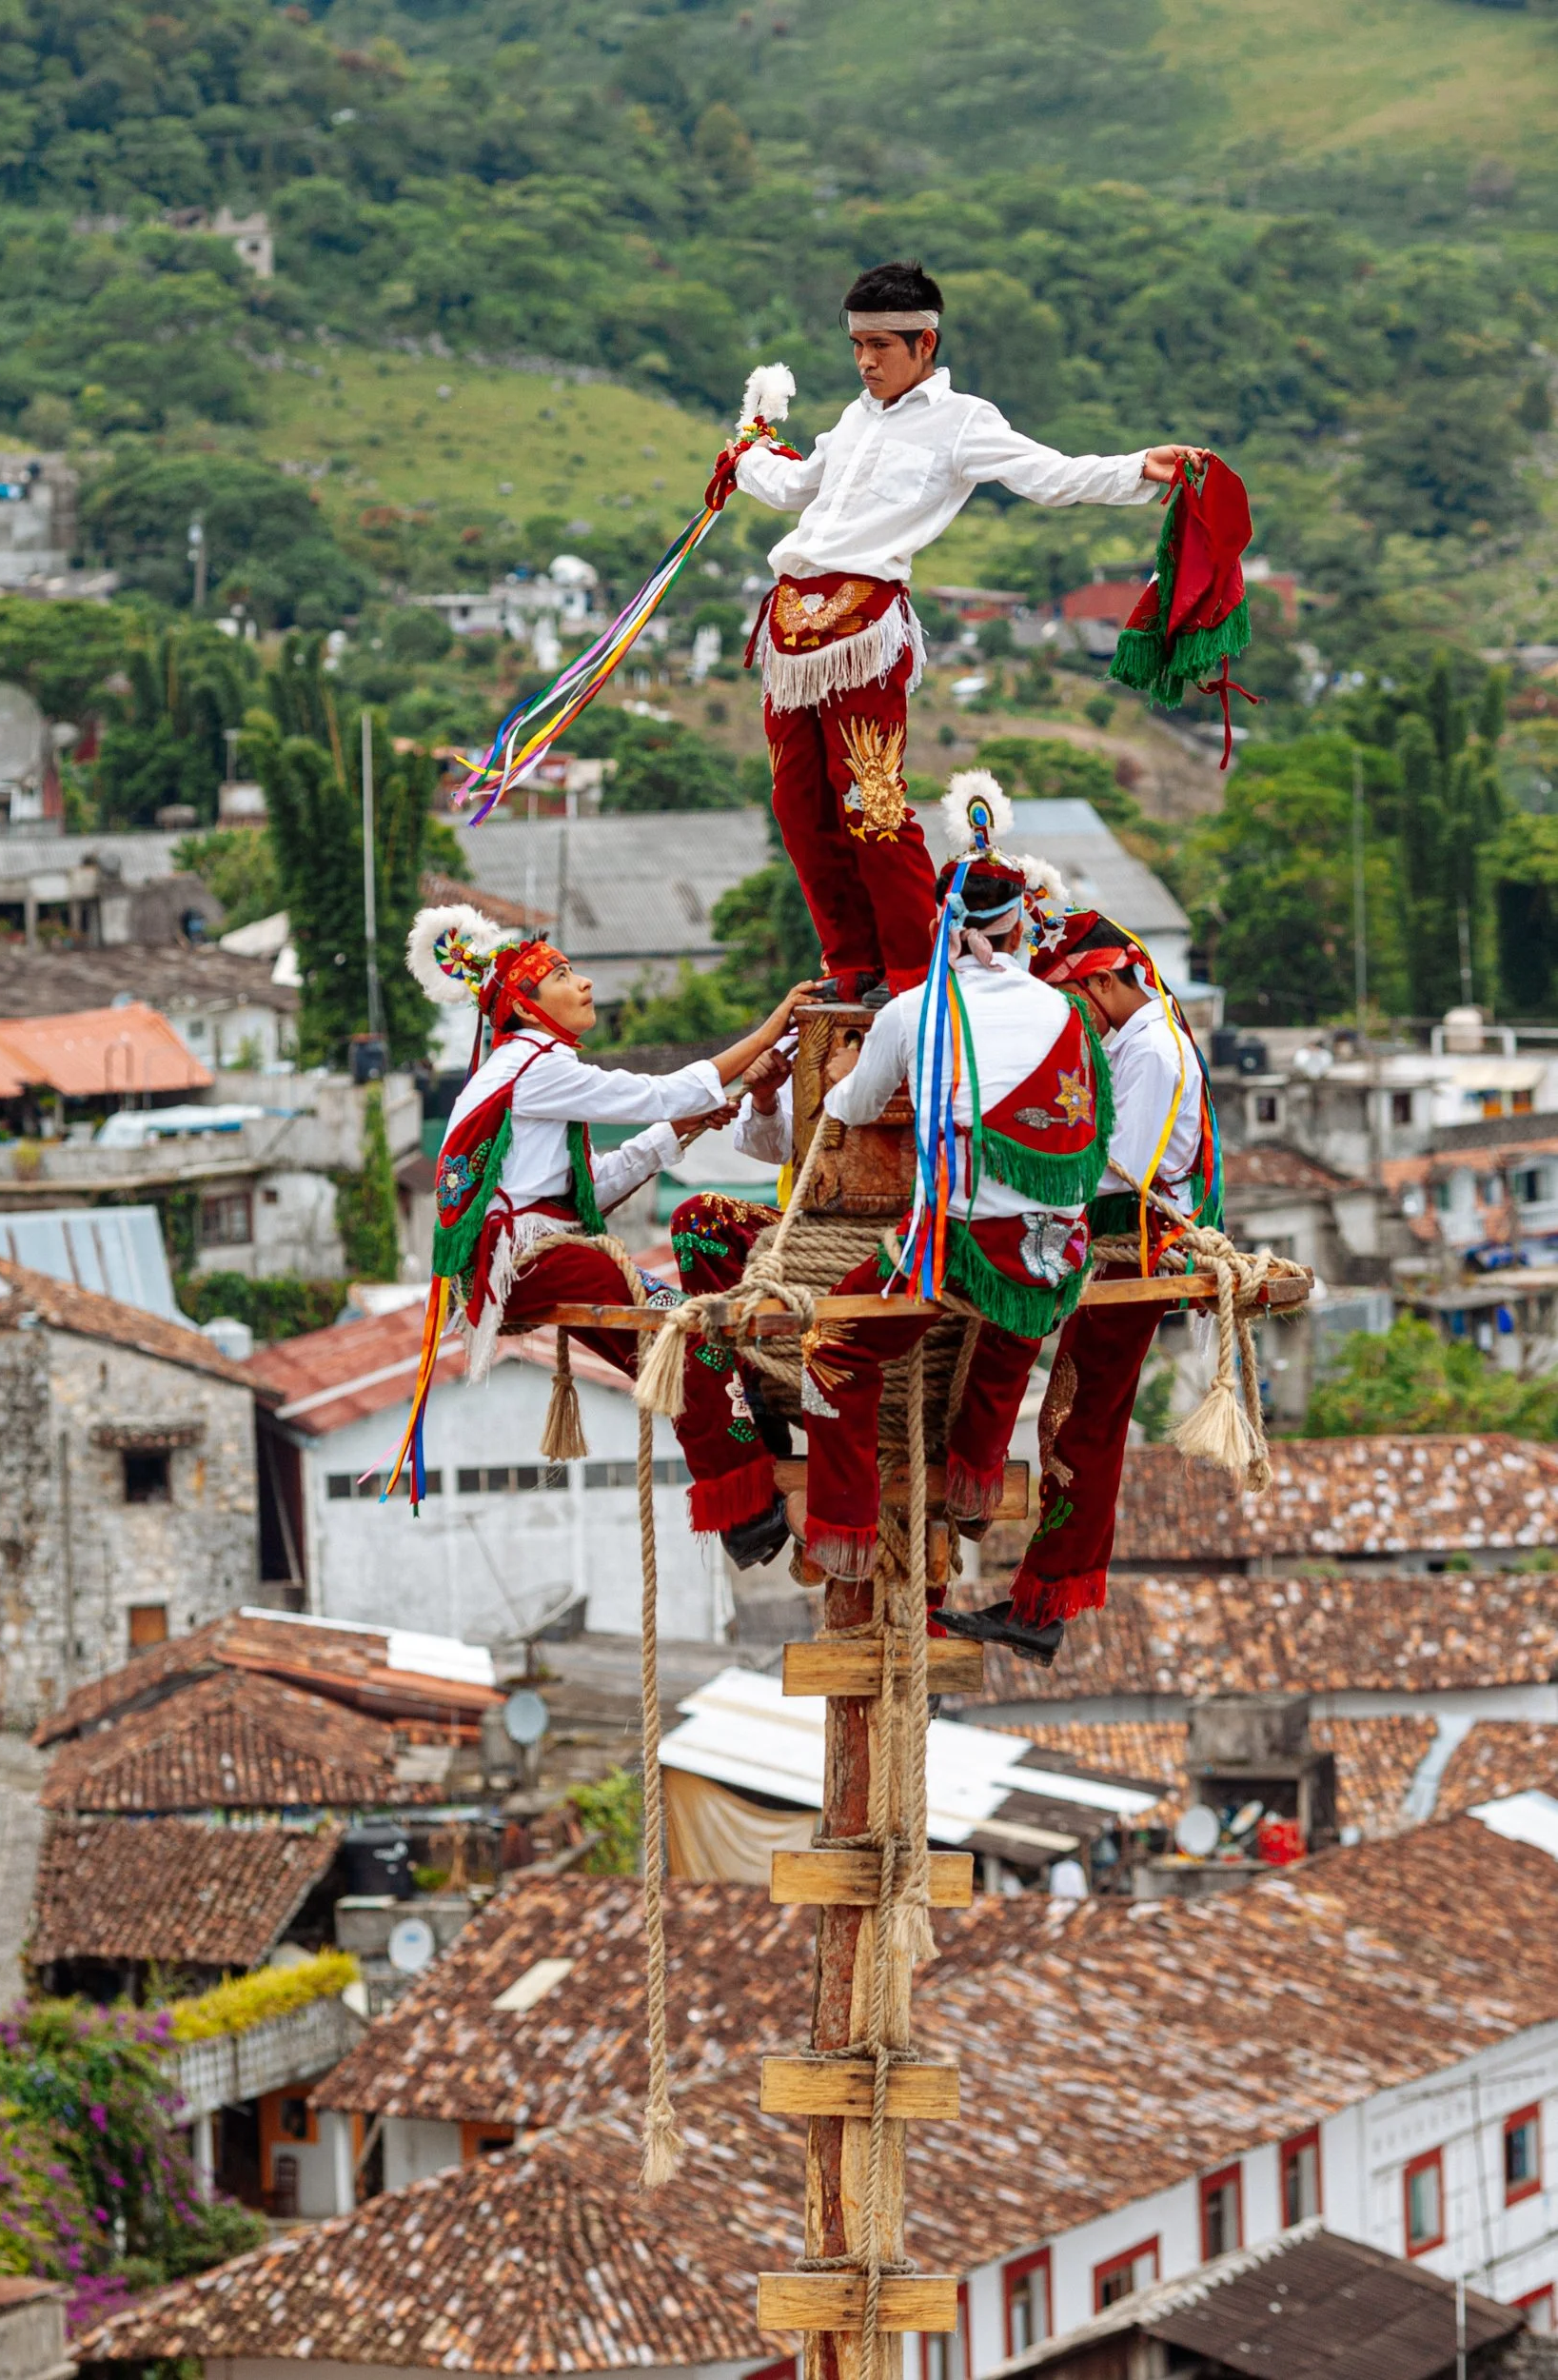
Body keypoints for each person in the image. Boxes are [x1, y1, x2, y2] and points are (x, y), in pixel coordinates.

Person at [721, 257, 1202, 1003]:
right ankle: (850, 962)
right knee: (798, 805)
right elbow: (793, 489)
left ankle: (914, 969)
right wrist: (745, 455)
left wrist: (1139, 466)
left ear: (925, 343)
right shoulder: (851, 419)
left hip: (863, 627)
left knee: (871, 803)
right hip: (791, 626)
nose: (865, 361)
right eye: (856, 345)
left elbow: (1051, 476)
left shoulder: (964, 422)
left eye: (881, 346)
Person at [770, 777, 1108, 1659]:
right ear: (1018, 929)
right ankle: (971, 1478)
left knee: (832, 1351)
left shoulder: (917, 1010)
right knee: (1011, 1326)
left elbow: (850, 1103)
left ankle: (842, 1526)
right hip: (1057, 1254)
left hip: (957, 1243)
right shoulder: (1066, 1012)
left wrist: (850, 1056)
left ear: (942, 930)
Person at [395, 902, 815, 1565]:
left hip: (536, 1253)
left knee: (682, 1341)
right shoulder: (535, 1067)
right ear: (530, 1009)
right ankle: (746, 1506)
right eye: (561, 974)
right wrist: (769, 1030)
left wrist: (684, 1130)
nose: (582, 982)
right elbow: (660, 1092)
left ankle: (753, 1461)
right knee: (684, 1340)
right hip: (533, 1259)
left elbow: (587, 1186)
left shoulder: (521, 1069)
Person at [943, 909, 1219, 1656]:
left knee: (1077, 1422)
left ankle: (1045, 1606)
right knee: (1073, 1418)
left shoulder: (1152, 1052)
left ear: (1102, 979)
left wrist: (1009, 1164)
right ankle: (1041, 1600)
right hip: (1121, 1244)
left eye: (1078, 1001)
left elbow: (1115, 1168)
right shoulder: (1143, 1037)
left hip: (1135, 1249)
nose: (1078, 1023)